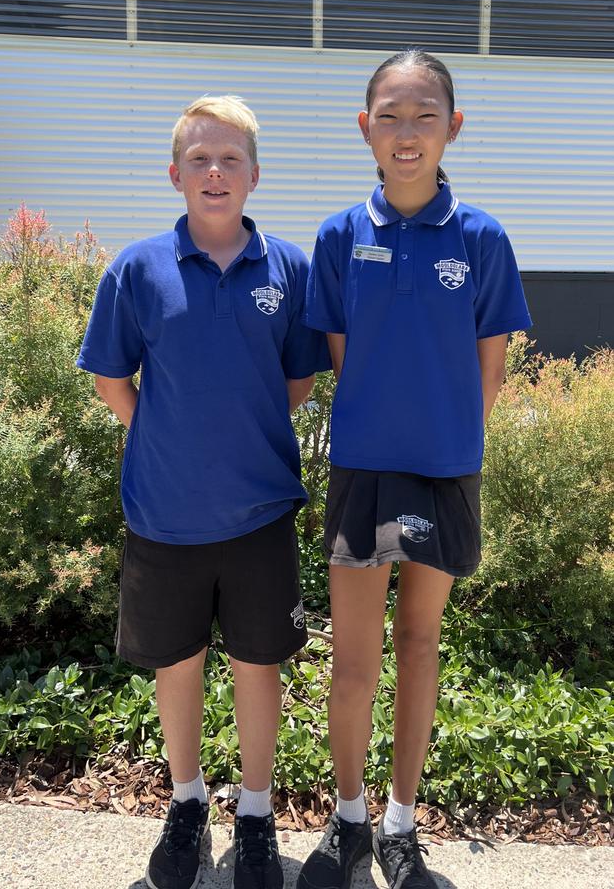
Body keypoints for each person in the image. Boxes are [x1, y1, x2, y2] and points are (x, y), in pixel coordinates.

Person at [77, 95, 329, 889]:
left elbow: (296, 380)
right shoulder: (137, 268)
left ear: (255, 174)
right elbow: (111, 379)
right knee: (177, 664)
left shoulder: (288, 268)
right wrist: (166, 433)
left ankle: (254, 810)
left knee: (260, 666)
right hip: (164, 515)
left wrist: (233, 434)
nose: (214, 172)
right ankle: (186, 802)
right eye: (199, 159)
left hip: (258, 515)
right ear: (175, 173)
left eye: (229, 159)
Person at [297, 50, 531, 889]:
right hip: (363, 472)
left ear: (452, 128)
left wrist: (446, 442)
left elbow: (489, 370)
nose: (406, 132)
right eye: (389, 116)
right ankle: (349, 820)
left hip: (443, 474)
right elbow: (341, 357)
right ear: (366, 129)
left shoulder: (483, 238)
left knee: (420, 644)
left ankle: (401, 826)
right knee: (354, 659)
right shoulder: (337, 236)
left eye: (423, 114)